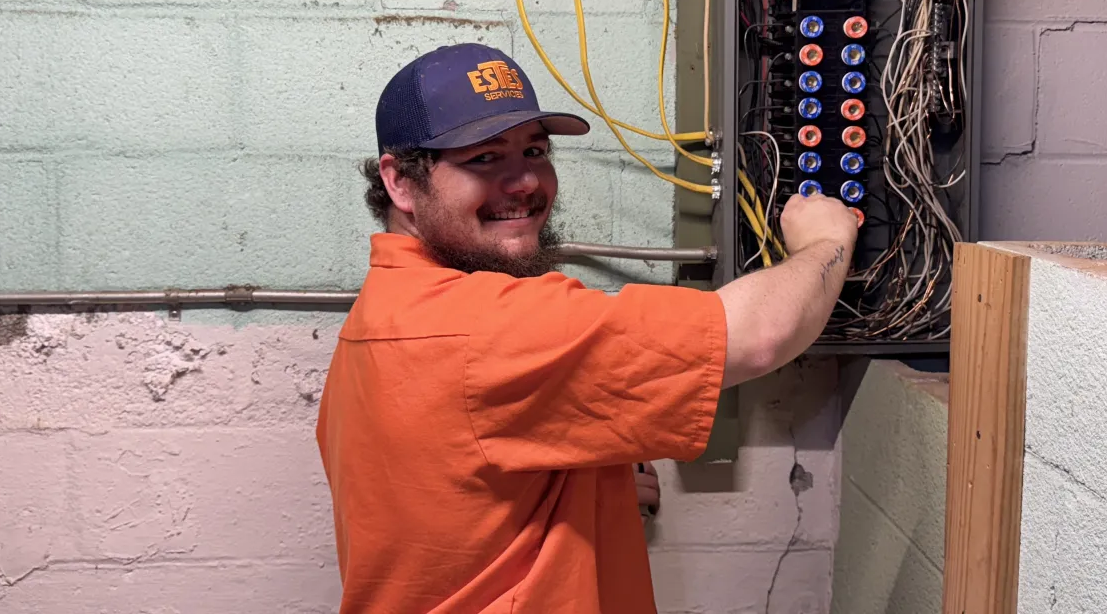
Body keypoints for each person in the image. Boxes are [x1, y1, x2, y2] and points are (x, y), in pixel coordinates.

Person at [316, 43, 858, 614]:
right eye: (483, 159)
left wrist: (591, 486)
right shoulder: (486, 326)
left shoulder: (380, 317)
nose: (525, 180)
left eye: (535, 150)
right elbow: (761, 333)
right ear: (401, 181)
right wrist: (827, 240)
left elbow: (461, 491)